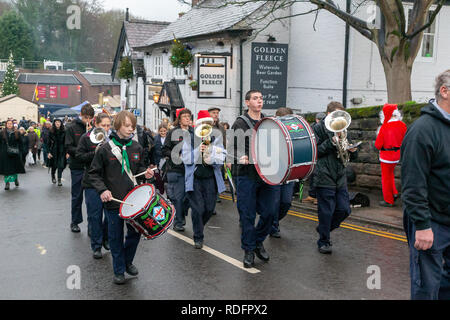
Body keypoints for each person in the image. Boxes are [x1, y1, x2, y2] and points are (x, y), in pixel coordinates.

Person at [88, 111, 154, 285]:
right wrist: (102, 191)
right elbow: (94, 174)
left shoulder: (137, 148)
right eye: (126, 125)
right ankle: (118, 270)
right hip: (113, 201)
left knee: (135, 234)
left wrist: (147, 175)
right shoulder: (104, 149)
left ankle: (127, 261)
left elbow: (139, 171)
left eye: (132, 126)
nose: (130, 129)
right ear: (117, 126)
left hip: (133, 201)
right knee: (115, 237)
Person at [402, 70, 450, 300]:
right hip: (431, 223)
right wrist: (422, 225)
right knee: (426, 288)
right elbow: (413, 183)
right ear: (444, 91)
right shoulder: (423, 129)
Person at [230, 90, 280, 268]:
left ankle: (258, 241)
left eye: (261, 98)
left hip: (266, 174)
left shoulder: (269, 122)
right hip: (246, 175)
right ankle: (249, 250)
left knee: (270, 212)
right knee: (247, 215)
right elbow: (232, 147)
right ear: (247, 103)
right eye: (255, 98)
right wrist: (241, 156)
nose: (259, 101)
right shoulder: (240, 123)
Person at [313, 101, 358, 254]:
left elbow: (352, 154)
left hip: (340, 175)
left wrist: (353, 150)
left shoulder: (344, 129)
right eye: (335, 115)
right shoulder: (318, 129)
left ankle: (323, 229)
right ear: (328, 115)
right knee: (326, 211)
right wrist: (330, 143)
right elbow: (315, 151)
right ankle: (324, 241)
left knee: (344, 210)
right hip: (324, 174)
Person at [182, 110, 226, 248]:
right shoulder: (190, 138)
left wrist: (211, 156)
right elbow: (186, 158)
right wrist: (198, 151)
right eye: (204, 124)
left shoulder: (216, 138)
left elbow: (221, 158)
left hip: (210, 179)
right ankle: (198, 236)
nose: (207, 127)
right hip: (195, 179)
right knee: (198, 209)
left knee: (209, 209)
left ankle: (199, 226)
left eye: (209, 124)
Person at [76, 113, 111, 259]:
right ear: (96, 124)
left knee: (110, 216)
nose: (107, 128)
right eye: (103, 125)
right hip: (91, 183)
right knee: (95, 216)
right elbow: (79, 157)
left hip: (109, 182)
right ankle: (96, 246)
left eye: (109, 125)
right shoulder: (85, 138)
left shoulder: (112, 139)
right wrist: (94, 153)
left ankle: (105, 237)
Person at [65, 104, 95, 233]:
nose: (87, 120)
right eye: (85, 117)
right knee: (77, 196)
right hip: (77, 166)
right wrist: (81, 152)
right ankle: (75, 221)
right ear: (81, 115)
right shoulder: (72, 128)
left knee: (91, 198)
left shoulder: (95, 129)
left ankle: (91, 225)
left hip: (91, 167)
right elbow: (68, 147)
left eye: (90, 118)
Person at [162, 108, 193, 231]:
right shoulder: (173, 132)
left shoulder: (193, 132)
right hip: (176, 169)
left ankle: (181, 214)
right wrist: (177, 155)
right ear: (179, 119)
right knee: (179, 197)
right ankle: (178, 221)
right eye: (184, 116)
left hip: (190, 170)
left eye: (189, 116)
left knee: (188, 197)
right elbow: (164, 149)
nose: (187, 118)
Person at [269, 107, 296, 239]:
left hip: (289, 173)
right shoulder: (271, 131)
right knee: (274, 202)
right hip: (274, 172)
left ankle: (272, 221)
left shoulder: (294, 132)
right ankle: (273, 226)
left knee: (286, 202)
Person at [374, 104, 407, 207]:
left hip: (386, 156)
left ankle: (388, 200)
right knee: (390, 174)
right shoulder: (402, 125)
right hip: (397, 155)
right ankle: (395, 192)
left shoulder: (384, 127)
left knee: (386, 177)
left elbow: (378, 145)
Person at [303, 112, 326, 205]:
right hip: (313, 153)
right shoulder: (312, 127)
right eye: (319, 120)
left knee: (319, 176)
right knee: (313, 175)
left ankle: (317, 197)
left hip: (321, 154)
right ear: (316, 120)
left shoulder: (325, 127)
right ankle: (312, 195)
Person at [0, 119, 25, 190]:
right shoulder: (2, 132)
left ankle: (15, 179)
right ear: (6, 124)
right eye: (8, 123)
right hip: (5, 153)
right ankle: (7, 183)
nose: (9, 125)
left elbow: (20, 143)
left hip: (15, 153)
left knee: (14, 168)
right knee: (6, 169)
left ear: (13, 124)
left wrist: (21, 151)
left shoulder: (17, 132)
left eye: (11, 123)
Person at [48, 119, 67, 186]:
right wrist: (49, 152)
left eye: (59, 122)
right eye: (56, 122)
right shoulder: (51, 131)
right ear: (54, 123)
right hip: (54, 150)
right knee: (54, 165)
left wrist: (67, 152)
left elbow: (66, 142)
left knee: (61, 165)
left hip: (62, 150)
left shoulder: (64, 131)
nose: (57, 123)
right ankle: (53, 175)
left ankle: (59, 179)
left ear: (61, 123)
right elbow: (48, 142)